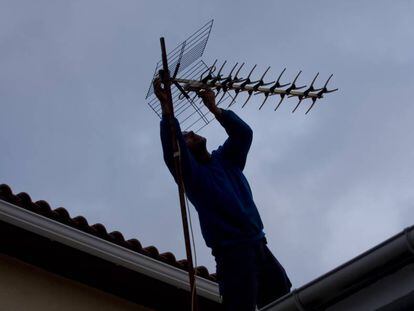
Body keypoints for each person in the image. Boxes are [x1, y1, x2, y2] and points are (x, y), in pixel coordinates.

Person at [154, 77, 292, 310]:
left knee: (282, 294)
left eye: (190, 132)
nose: (192, 134)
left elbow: (243, 134)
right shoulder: (193, 177)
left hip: (258, 244)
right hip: (233, 254)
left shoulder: (226, 159)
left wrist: (215, 110)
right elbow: (173, 153)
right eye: (186, 136)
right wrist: (167, 111)